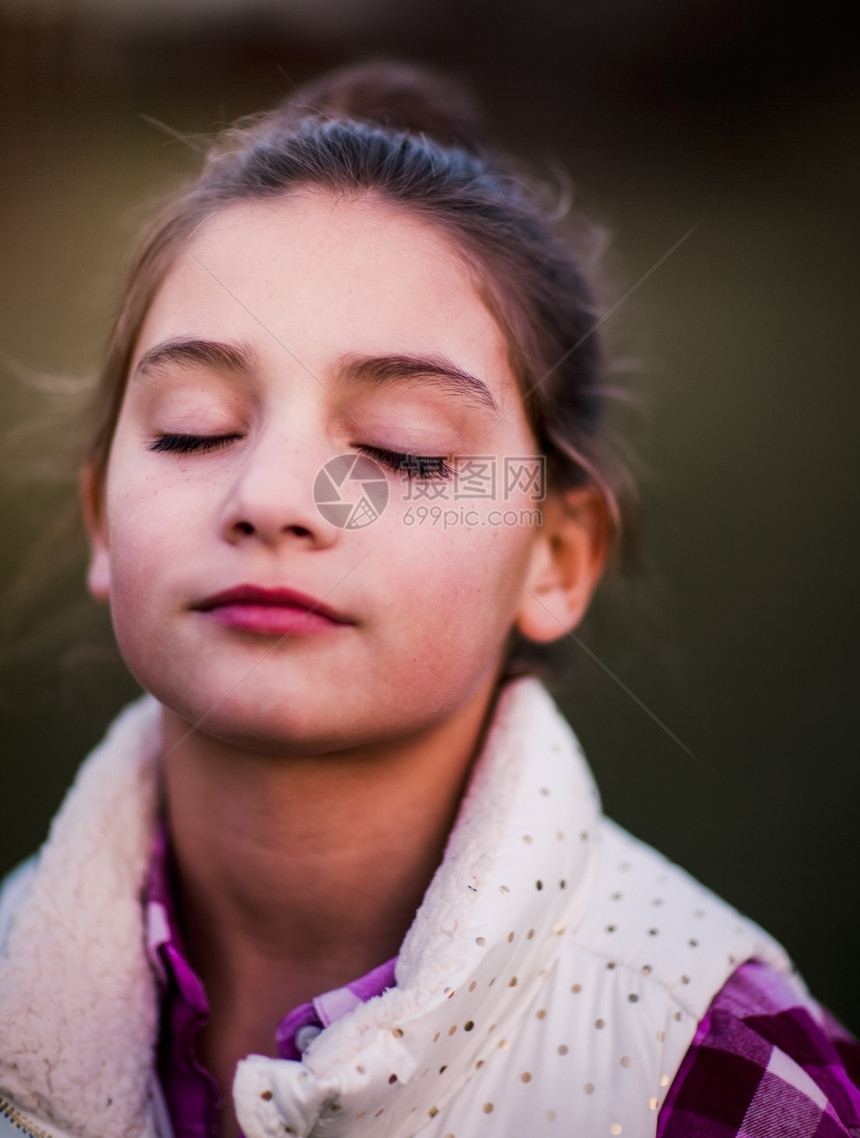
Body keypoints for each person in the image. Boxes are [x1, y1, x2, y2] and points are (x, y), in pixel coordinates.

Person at [0, 62, 856, 1138]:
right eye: (194, 427)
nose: (272, 498)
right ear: (99, 521)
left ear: (555, 555)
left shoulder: (717, 1078)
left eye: (403, 451)